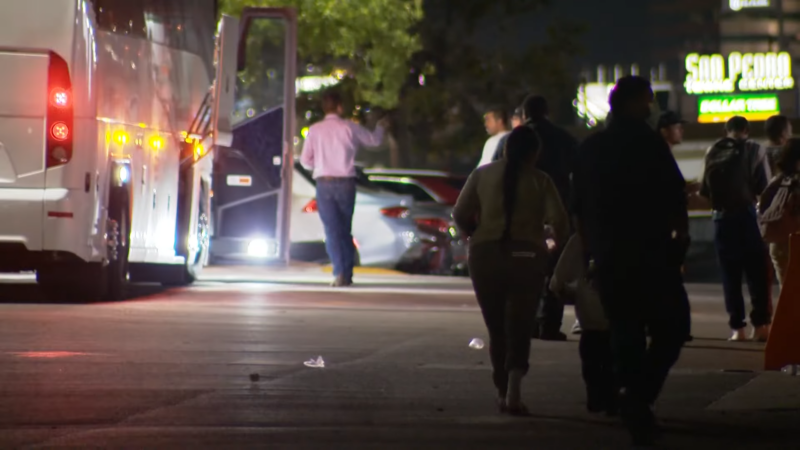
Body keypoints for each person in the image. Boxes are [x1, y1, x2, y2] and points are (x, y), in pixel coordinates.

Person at [573, 75, 690, 447]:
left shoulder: (591, 148)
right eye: (647, 100)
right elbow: (675, 195)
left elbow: (578, 207)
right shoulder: (648, 143)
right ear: (631, 103)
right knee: (672, 328)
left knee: (625, 331)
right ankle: (637, 399)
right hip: (650, 253)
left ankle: (633, 398)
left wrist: (590, 252)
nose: (651, 107)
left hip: (610, 255)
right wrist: (680, 238)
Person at [453, 126, 569, 415]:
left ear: (505, 150)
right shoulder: (540, 180)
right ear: (534, 153)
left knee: (496, 328)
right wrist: (552, 246)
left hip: (485, 254)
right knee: (520, 323)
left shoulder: (482, 175)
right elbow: (561, 223)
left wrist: (472, 236)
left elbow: (459, 214)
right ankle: (514, 392)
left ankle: (501, 390)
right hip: (525, 254)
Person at [300, 91, 387, 287]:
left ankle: (340, 272)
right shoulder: (350, 127)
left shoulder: (314, 130)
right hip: (346, 183)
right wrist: (381, 127)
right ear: (339, 107)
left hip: (324, 183)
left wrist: (321, 163)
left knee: (332, 230)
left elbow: (305, 161)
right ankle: (346, 272)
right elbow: (374, 141)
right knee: (345, 229)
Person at [700, 116, 772, 342]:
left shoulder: (713, 150)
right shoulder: (755, 149)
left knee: (730, 275)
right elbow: (765, 188)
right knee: (756, 273)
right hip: (748, 217)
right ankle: (760, 326)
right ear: (747, 129)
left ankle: (737, 329)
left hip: (721, 219)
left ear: (725, 130)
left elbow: (705, 191)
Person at [549, 234, 616, 415]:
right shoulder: (633, 233)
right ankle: (613, 396)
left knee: (592, 351)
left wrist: (563, 289)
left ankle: (596, 396)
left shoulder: (582, 238)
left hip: (592, 314)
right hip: (622, 315)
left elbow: (558, 280)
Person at [758, 138, 800, 288]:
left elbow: (763, 207)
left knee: (788, 294)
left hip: (778, 244)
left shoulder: (778, 181)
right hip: (795, 242)